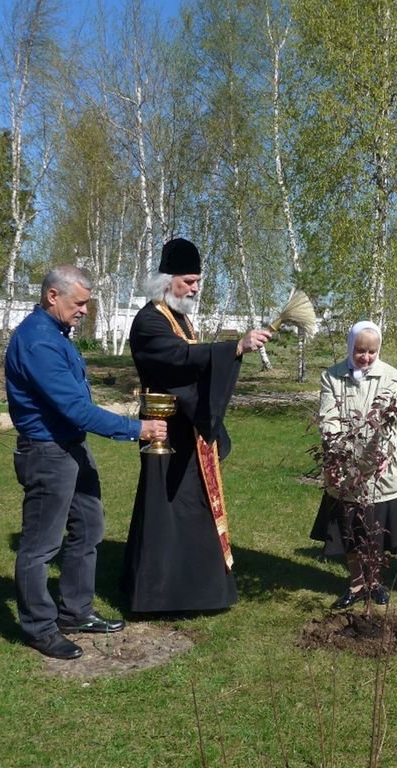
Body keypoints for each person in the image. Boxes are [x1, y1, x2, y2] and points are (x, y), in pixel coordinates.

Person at [5, 265, 168, 660]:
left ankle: (76, 612)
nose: (83, 310)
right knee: (41, 547)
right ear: (52, 296)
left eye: (86, 304)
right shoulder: (38, 342)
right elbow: (76, 409)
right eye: (78, 303)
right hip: (47, 453)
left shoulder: (57, 335)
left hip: (70, 447)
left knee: (89, 528)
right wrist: (137, 428)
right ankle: (39, 628)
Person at [121, 238, 272, 613]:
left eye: (197, 281)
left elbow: (191, 364)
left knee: (191, 506)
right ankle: (163, 593)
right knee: (167, 508)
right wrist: (234, 347)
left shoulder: (179, 316)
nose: (195, 288)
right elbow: (180, 358)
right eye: (189, 281)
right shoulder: (149, 321)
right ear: (166, 279)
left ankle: (192, 586)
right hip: (164, 432)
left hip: (185, 429)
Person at [310, 321, 397, 609]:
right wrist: (337, 452)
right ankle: (356, 583)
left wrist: (379, 456)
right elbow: (328, 419)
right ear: (350, 347)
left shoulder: (392, 376)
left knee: (379, 531)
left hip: (383, 469)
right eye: (360, 351)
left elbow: (393, 423)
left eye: (371, 351)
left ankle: (376, 582)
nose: (365, 357)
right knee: (350, 530)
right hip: (345, 469)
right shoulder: (332, 377)